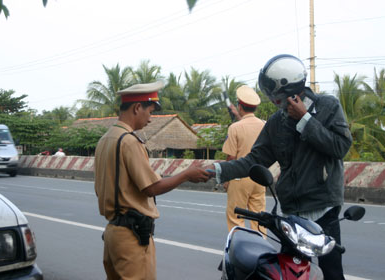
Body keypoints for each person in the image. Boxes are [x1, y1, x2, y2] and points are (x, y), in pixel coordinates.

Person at [210, 54, 352, 280]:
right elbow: (255, 160)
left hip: (323, 209)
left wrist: (305, 119)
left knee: (332, 273)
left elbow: (340, 147)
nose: (273, 99)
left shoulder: (328, 107)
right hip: (291, 213)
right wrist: (217, 171)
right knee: (288, 272)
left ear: (290, 89)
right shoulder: (277, 122)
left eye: (274, 94)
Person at [94, 80, 211, 280]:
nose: (150, 119)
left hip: (113, 233)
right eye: (150, 111)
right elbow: (151, 187)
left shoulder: (106, 139)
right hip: (131, 238)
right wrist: (186, 174)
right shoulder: (129, 141)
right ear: (137, 107)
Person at [222, 85, 266, 234]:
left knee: (235, 219)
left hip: (239, 178)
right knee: (259, 219)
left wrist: (226, 178)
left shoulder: (235, 128)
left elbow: (231, 157)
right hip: (260, 178)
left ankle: (238, 249)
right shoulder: (264, 126)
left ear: (240, 106)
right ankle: (261, 250)